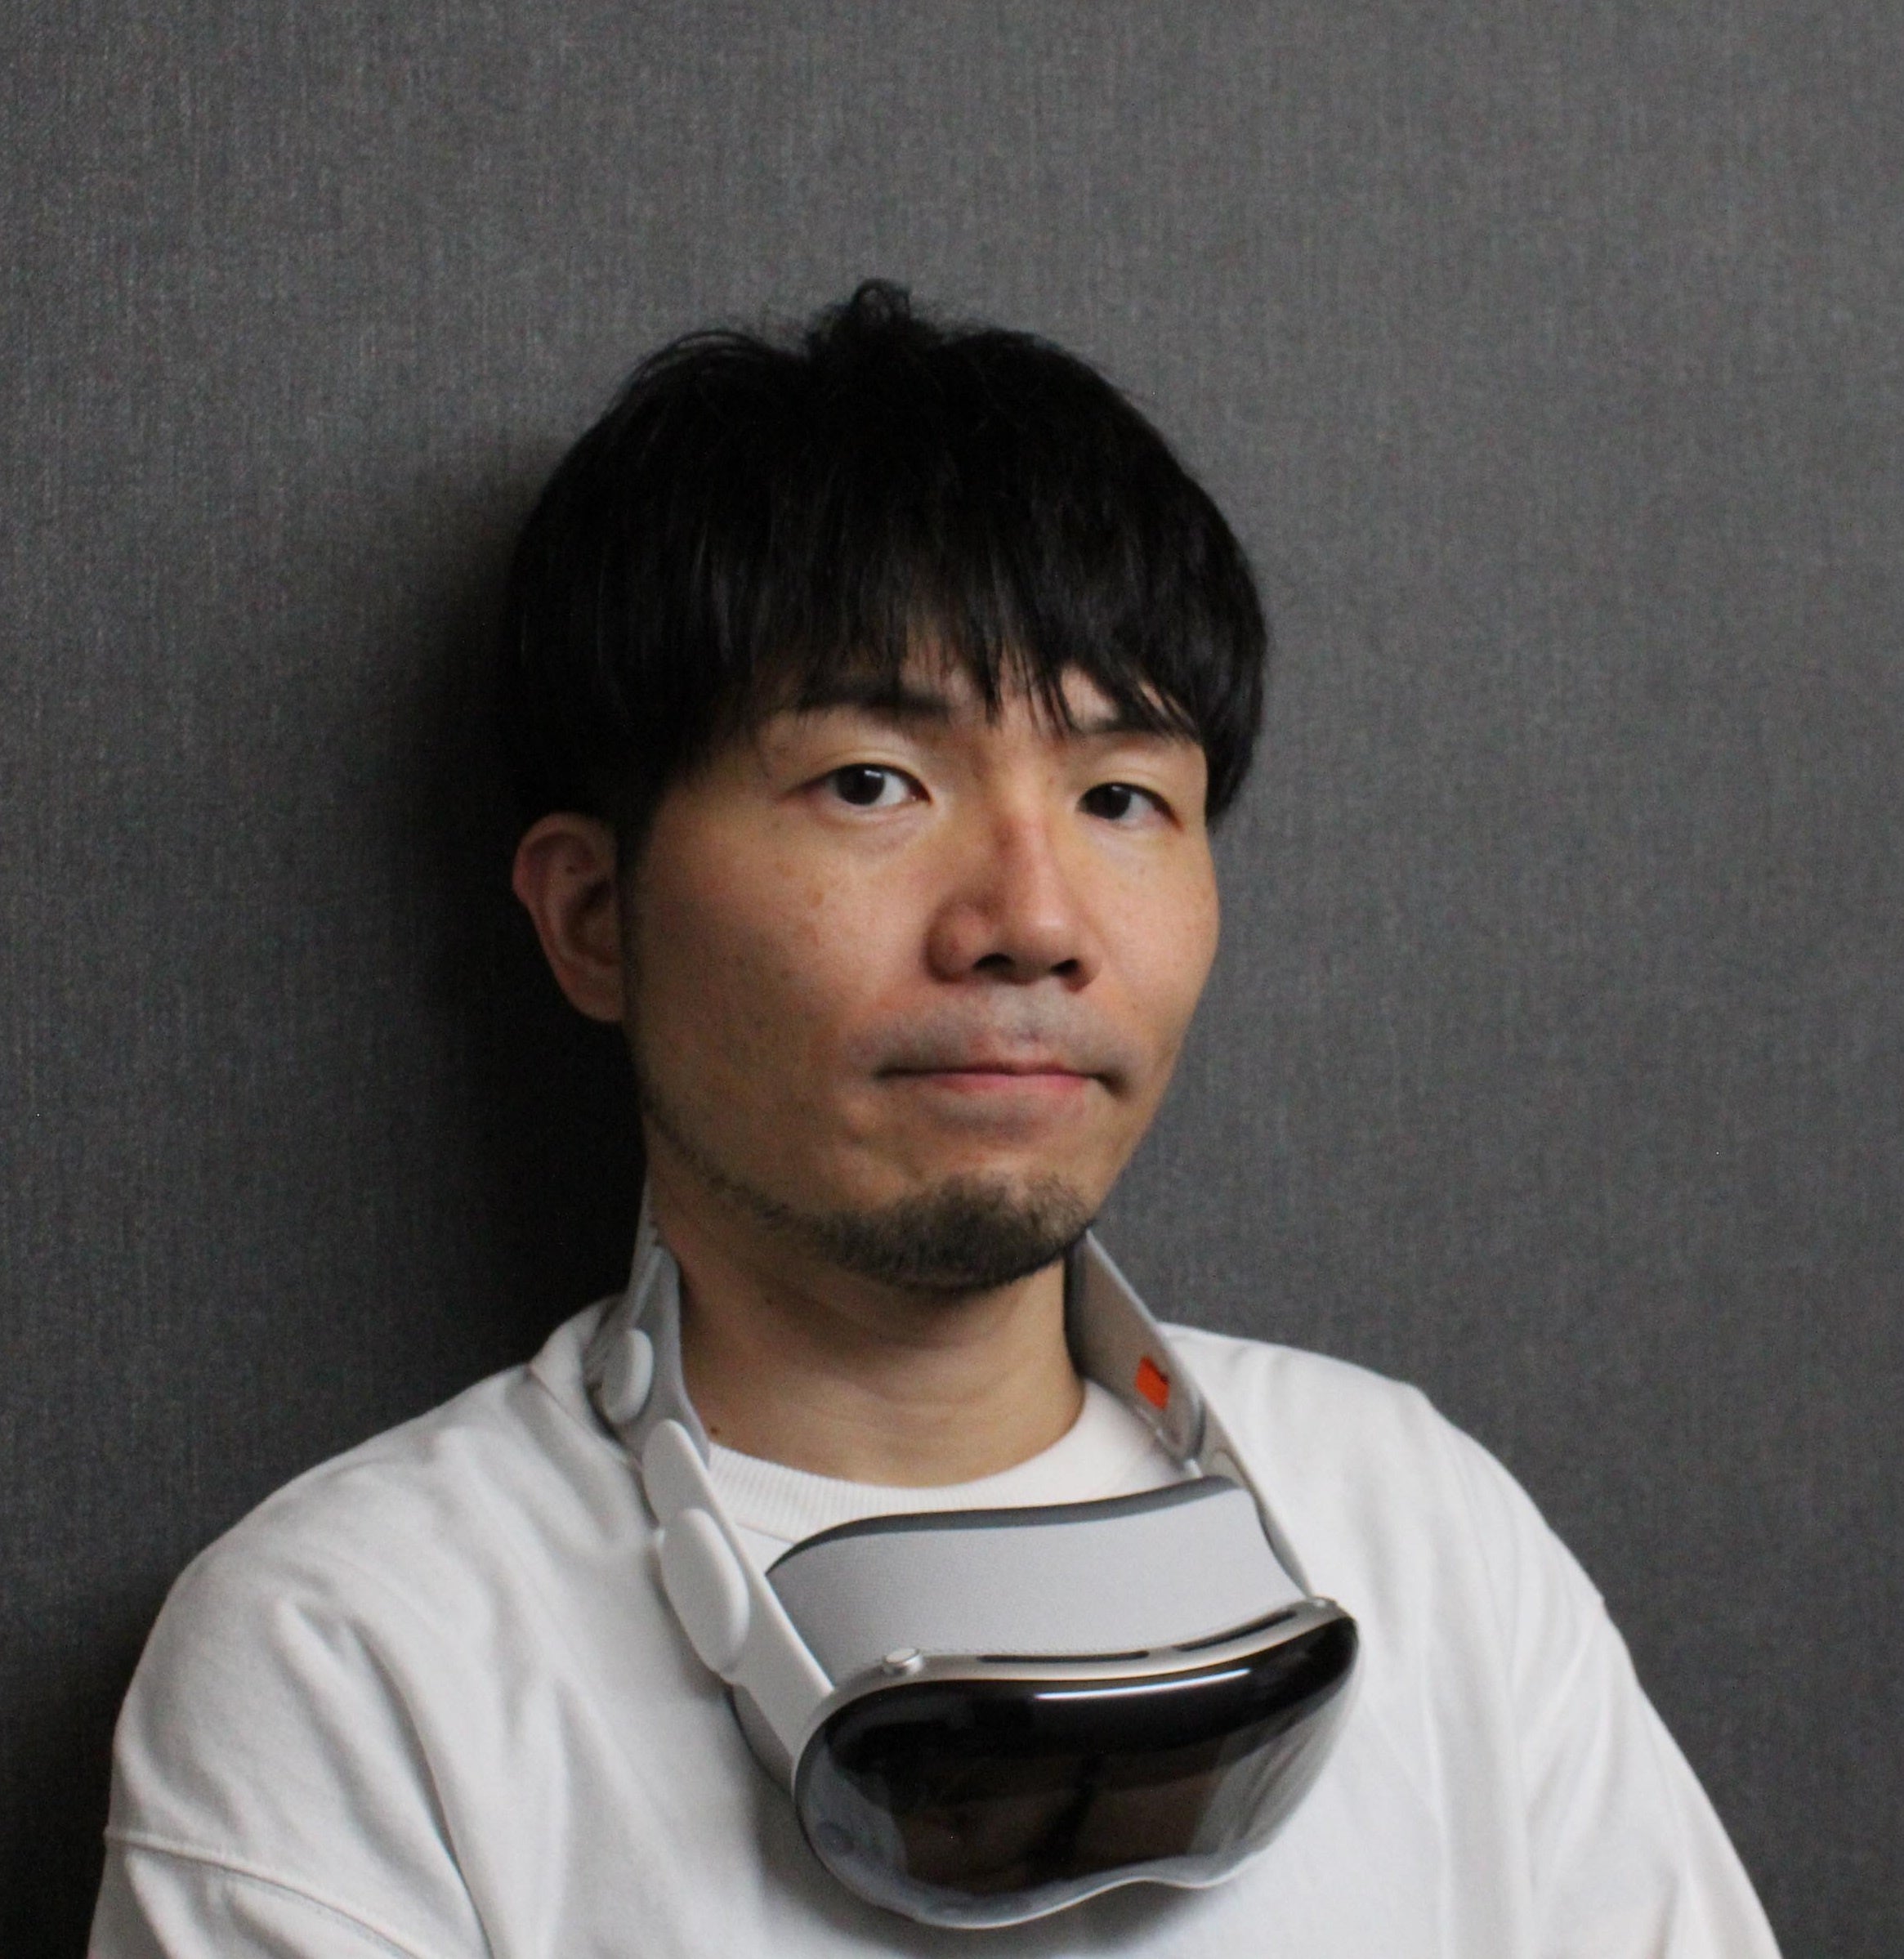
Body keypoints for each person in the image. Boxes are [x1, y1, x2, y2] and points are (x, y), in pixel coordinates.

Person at [90, 283, 1781, 1957]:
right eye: (870, 783)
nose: (1031, 919)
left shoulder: (1423, 1526)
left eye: (1120, 795)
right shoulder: (353, 1653)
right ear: (595, 916)